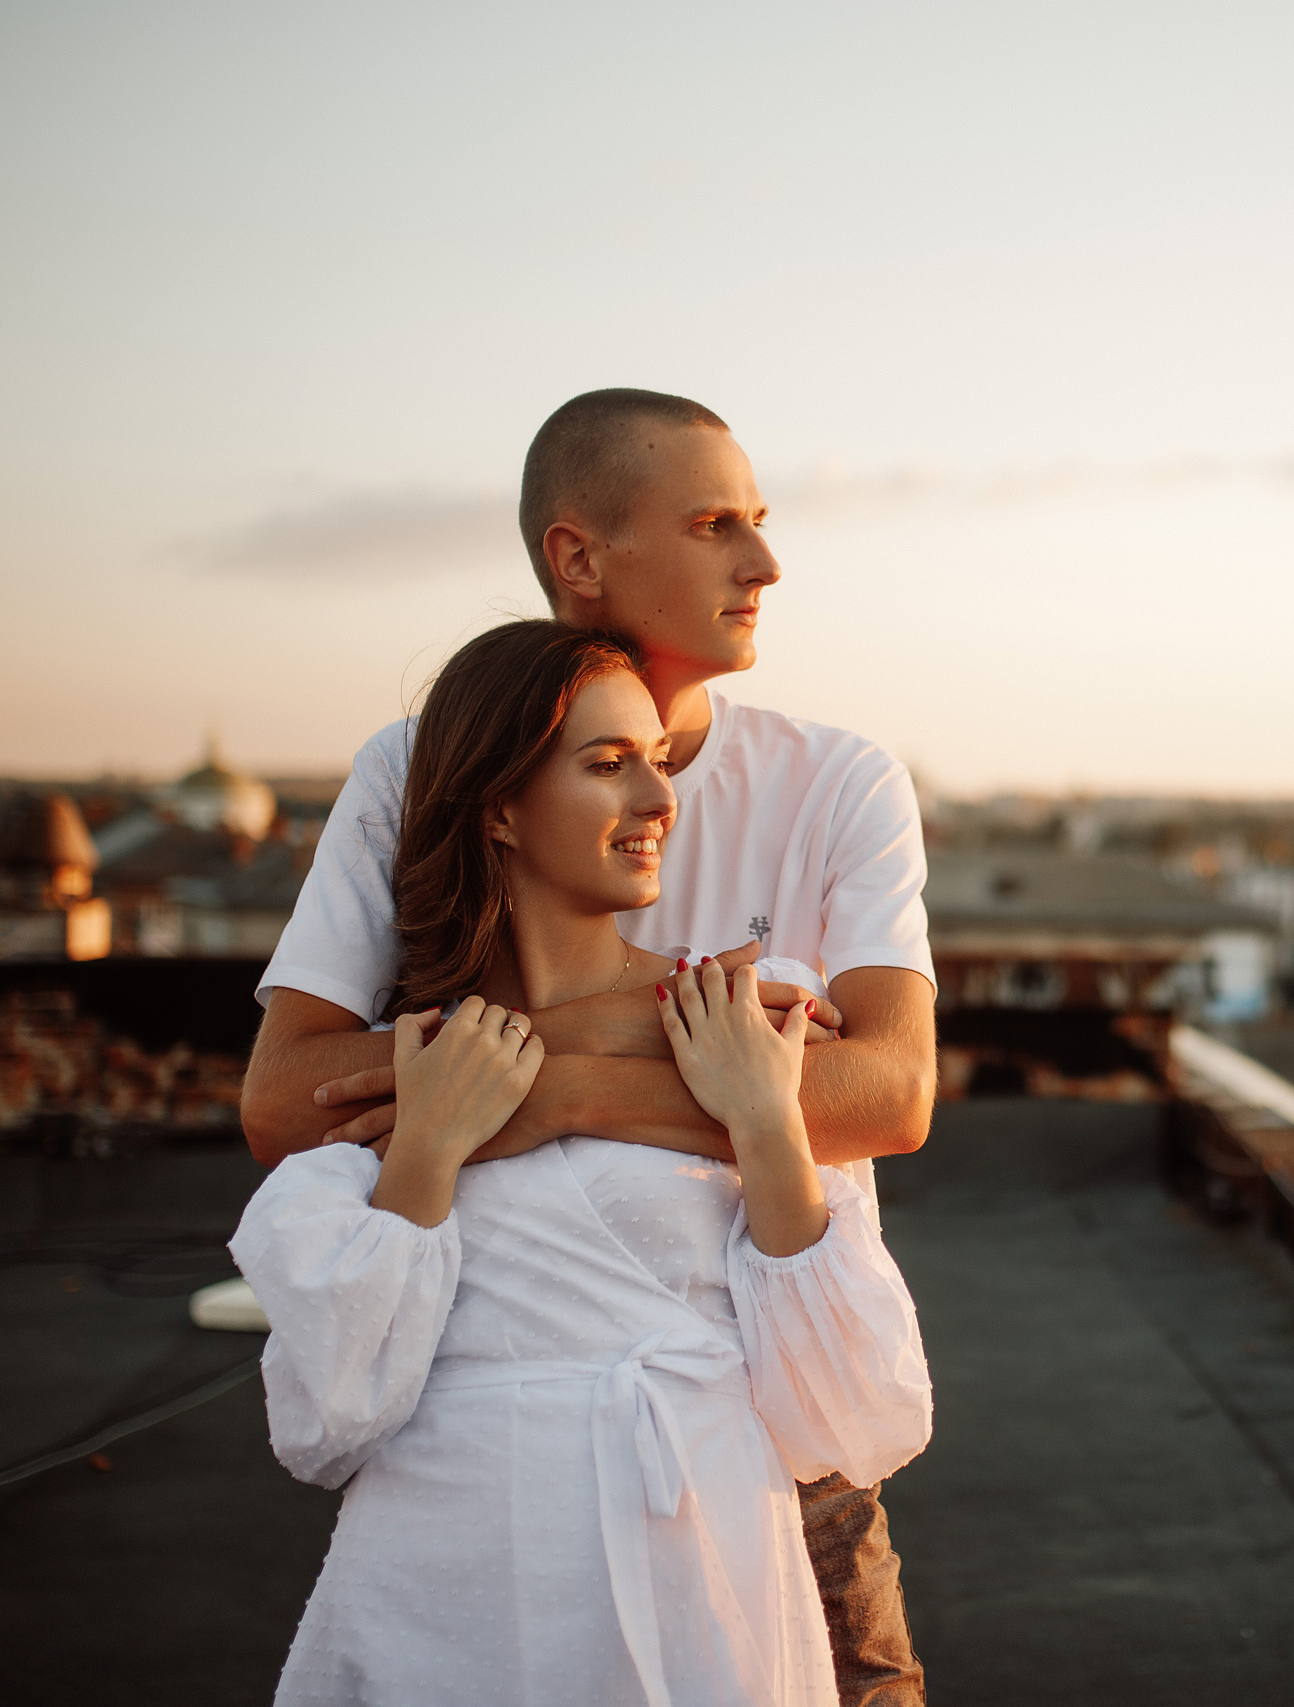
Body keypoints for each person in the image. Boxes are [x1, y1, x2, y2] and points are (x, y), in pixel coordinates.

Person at [240, 390, 938, 1704]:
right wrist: (725, 1076)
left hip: (785, 1417)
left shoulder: (838, 781)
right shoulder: (418, 768)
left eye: (760, 523)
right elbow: (287, 1104)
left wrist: (538, 1091)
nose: (764, 564)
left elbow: (889, 1095)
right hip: (487, 1465)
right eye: (714, 523)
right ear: (579, 556)